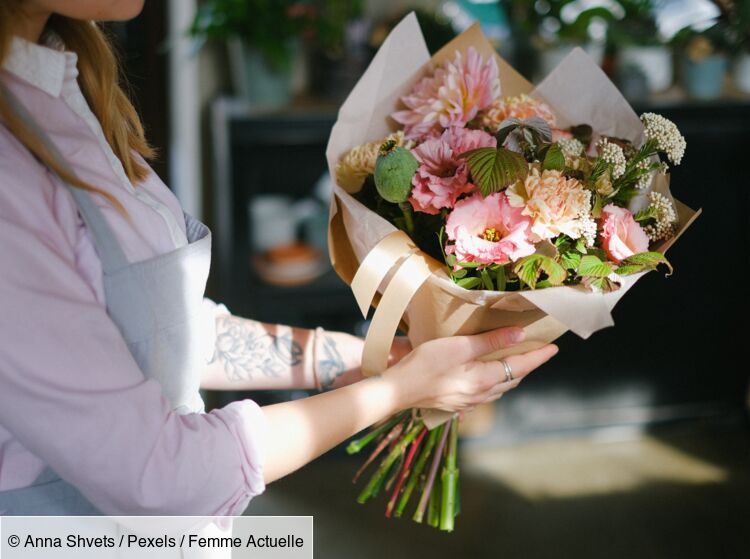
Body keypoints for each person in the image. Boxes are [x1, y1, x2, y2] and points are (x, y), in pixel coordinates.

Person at [0, 0, 559, 517]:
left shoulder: (56, 79)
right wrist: (401, 390)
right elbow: (159, 475)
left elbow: (155, 331)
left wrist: (377, 358)